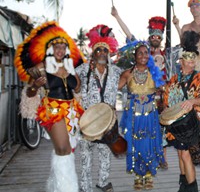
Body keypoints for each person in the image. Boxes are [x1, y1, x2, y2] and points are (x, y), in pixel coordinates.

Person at [15, 21, 86, 192]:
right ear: (50, 49)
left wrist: (75, 81)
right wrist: (36, 86)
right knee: (63, 148)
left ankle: (55, 186)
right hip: (52, 109)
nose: (60, 51)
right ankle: (67, 188)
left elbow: (77, 88)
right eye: (57, 47)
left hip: (71, 110)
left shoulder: (70, 67)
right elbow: (30, 93)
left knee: (68, 149)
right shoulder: (41, 67)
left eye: (63, 47)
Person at [111, 6, 170, 169]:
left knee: (161, 128)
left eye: (159, 36)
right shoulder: (143, 53)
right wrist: (117, 16)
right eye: (153, 35)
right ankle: (142, 157)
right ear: (150, 36)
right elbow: (129, 36)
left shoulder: (168, 55)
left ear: (161, 38)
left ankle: (161, 158)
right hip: (141, 98)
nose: (156, 38)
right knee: (141, 130)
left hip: (161, 97)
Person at [162, 30, 200, 192]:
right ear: (181, 61)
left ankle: (191, 188)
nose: (191, 63)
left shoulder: (199, 77)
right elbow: (167, 102)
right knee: (180, 154)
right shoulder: (173, 80)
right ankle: (184, 183)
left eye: (193, 60)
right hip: (176, 125)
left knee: (185, 154)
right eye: (188, 60)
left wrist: (192, 101)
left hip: (191, 123)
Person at [76, 24, 121, 192]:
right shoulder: (81, 69)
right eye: (98, 50)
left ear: (109, 53)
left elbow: (129, 81)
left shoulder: (116, 71)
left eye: (105, 50)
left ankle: (103, 183)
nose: (102, 53)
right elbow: (71, 84)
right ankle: (85, 187)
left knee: (105, 155)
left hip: (108, 121)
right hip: (87, 121)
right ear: (93, 53)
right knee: (85, 157)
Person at [118, 41, 165, 190]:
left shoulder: (154, 72)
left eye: (146, 53)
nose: (143, 56)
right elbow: (113, 88)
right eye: (140, 53)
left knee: (150, 142)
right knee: (135, 142)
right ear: (135, 56)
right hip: (133, 115)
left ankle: (149, 174)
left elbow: (165, 90)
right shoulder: (127, 73)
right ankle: (138, 175)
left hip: (150, 114)